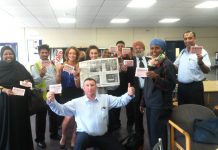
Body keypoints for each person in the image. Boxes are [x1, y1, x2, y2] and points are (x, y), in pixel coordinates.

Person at [47, 78, 135, 150]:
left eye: (92, 85)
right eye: (87, 85)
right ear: (83, 88)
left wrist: (129, 95)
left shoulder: (105, 98)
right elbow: (61, 110)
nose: (90, 88)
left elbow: (120, 101)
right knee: (78, 146)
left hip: (102, 134)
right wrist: (52, 102)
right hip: (85, 134)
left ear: (96, 87)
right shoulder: (76, 102)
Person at [140, 39, 177, 150]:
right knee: (152, 132)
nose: (154, 50)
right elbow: (147, 84)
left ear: (163, 49)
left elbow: (171, 86)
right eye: (152, 48)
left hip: (160, 106)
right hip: (150, 103)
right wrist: (143, 102)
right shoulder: (152, 62)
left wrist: (156, 77)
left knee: (159, 133)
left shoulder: (167, 64)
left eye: (157, 48)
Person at [0, 46, 34, 150]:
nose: (8, 56)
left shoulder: (19, 66)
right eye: (5, 54)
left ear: (14, 55)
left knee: (20, 124)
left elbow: (30, 82)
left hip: (20, 102)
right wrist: (4, 90)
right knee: (5, 124)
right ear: (2, 56)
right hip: (5, 101)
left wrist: (28, 82)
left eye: (10, 54)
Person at [30, 44, 60, 148]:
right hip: (42, 94)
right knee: (41, 118)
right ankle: (40, 139)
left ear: (48, 53)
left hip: (53, 92)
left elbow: (56, 77)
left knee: (54, 114)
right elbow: (34, 82)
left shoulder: (53, 64)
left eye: (46, 52)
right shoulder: (35, 66)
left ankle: (54, 134)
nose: (44, 54)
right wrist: (41, 75)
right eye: (42, 52)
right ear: (39, 53)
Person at [56, 46, 83, 149]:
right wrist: (58, 72)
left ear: (77, 55)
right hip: (65, 93)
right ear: (67, 55)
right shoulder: (61, 66)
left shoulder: (78, 66)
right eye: (70, 53)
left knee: (76, 118)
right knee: (68, 117)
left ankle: (73, 137)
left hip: (77, 93)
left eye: (74, 53)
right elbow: (58, 82)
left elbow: (77, 85)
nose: (72, 55)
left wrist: (76, 75)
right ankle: (63, 135)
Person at [174, 31, 211, 105]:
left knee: (195, 111)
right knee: (183, 110)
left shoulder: (202, 52)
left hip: (195, 87)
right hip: (181, 87)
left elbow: (207, 70)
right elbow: (175, 66)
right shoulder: (182, 52)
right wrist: (165, 60)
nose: (187, 40)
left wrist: (200, 62)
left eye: (190, 38)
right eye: (185, 38)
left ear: (194, 38)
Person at [107, 40, 133, 132]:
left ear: (125, 48)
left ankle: (130, 124)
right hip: (116, 87)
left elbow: (133, 72)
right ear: (116, 47)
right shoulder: (111, 58)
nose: (120, 47)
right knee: (116, 105)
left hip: (127, 85)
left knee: (129, 107)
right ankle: (116, 123)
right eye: (119, 46)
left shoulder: (130, 58)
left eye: (122, 46)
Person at [128, 41, 147, 150]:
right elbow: (127, 77)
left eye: (140, 48)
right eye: (136, 48)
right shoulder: (130, 62)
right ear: (133, 50)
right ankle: (140, 142)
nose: (138, 50)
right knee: (138, 117)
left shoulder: (150, 60)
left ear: (144, 49)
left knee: (151, 116)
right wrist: (124, 70)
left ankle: (153, 138)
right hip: (137, 93)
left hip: (149, 92)